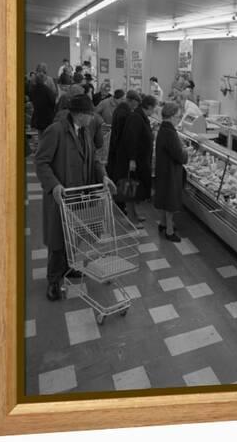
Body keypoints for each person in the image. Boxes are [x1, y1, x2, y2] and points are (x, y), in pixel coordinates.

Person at [35, 94, 116, 301]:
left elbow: (94, 159)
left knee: (74, 236)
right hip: (62, 197)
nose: (92, 118)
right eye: (90, 115)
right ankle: (53, 280)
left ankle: (68, 268)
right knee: (58, 240)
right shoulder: (56, 131)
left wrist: (104, 177)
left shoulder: (85, 131)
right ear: (79, 114)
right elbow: (41, 161)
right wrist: (53, 185)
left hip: (81, 195)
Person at [113, 95, 158, 227]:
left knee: (136, 188)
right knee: (130, 189)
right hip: (133, 161)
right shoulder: (136, 118)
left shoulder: (140, 116)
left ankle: (135, 214)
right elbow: (131, 139)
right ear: (149, 107)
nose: (154, 111)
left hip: (139, 159)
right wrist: (132, 160)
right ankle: (132, 218)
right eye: (154, 108)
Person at [154, 102, 189, 242]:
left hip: (163, 169)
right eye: (178, 116)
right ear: (171, 116)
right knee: (170, 201)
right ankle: (169, 231)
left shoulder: (163, 128)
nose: (179, 119)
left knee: (163, 198)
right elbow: (180, 156)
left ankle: (163, 224)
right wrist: (186, 151)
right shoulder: (170, 132)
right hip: (170, 171)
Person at [107, 90, 141, 183]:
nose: (136, 106)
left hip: (115, 148)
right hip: (120, 150)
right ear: (132, 101)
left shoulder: (119, 109)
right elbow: (125, 135)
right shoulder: (126, 114)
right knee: (119, 176)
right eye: (136, 104)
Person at [29, 71, 56, 138]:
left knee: (40, 135)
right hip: (47, 116)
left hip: (37, 115)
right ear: (44, 80)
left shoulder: (33, 90)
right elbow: (53, 102)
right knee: (47, 136)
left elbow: (32, 100)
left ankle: (40, 146)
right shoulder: (47, 90)